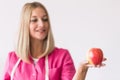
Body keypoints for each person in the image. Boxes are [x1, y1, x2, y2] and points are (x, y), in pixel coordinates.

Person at [2, 1, 106, 80]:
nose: (42, 24)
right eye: (34, 20)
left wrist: (82, 69)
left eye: (45, 19)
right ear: (24, 25)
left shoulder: (62, 56)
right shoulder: (12, 59)